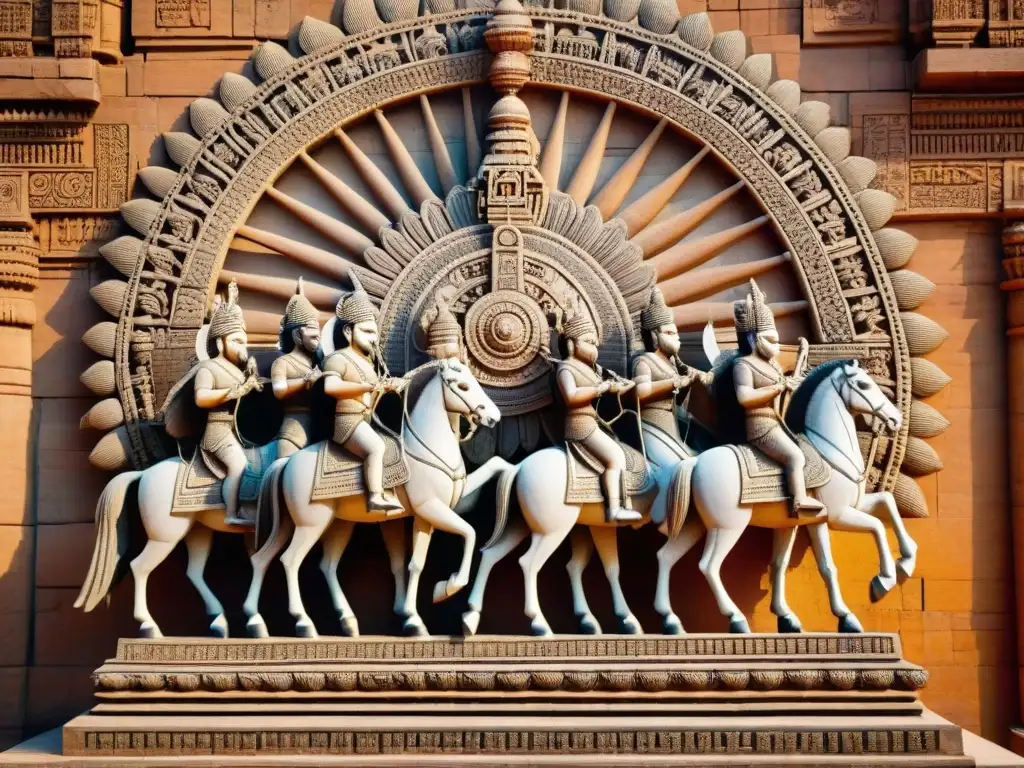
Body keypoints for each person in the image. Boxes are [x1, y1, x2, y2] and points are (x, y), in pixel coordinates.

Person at [732, 279, 823, 518]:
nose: (777, 346)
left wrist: (793, 385)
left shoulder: (771, 366)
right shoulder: (743, 364)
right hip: (760, 425)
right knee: (794, 456)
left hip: (776, 422)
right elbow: (744, 397)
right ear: (753, 338)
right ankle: (799, 501)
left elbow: (782, 390)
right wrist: (777, 388)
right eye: (771, 340)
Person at [322, 274, 403, 515]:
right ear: (348, 331)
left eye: (375, 333)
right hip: (348, 422)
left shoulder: (368, 363)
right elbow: (331, 388)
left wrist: (389, 386)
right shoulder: (337, 359)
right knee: (376, 447)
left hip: (366, 420)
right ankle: (375, 496)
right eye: (367, 331)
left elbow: (375, 390)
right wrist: (368, 387)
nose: (373, 338)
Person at [556, 297, 641, 523]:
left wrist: (621, 387)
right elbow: (571, 397)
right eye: (588, 341)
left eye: (595, 342)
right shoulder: (566, 367)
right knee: (616, 457)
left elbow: (608, 389)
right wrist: (599, 388)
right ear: (572, 344)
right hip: (579, 424)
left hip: (593, 423)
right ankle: (614, 508)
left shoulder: (593, 370)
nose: (594, 347)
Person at [193, 281, 262, 526]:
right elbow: (201, 398)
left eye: (244, 341)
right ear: (220, 343)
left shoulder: (237, 371)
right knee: (239, 463)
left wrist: (253, 381)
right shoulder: (208, 368)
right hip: (217, 431)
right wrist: (234, 391)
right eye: (236, 341)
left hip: (236, 430)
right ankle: (232, 512)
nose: (242, 347)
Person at [632, 287, 709, 464]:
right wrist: (673, 383)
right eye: (669, 333)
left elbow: (678, 399)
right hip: (653, 427)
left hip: (672, 427)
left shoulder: (672, 364)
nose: (676, 337)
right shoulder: (644, 360)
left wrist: (690, 381)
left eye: (676, 333)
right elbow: (640, 392)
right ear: (654, 335)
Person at [271, 278, 322, 458]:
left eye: (319, 335)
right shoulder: (283, 363)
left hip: (319, 429)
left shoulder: (317, 362)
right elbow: (278, 390)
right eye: (313, 335)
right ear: (298, 335)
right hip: (293, 431)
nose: (318, 339)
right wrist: (305, 381)